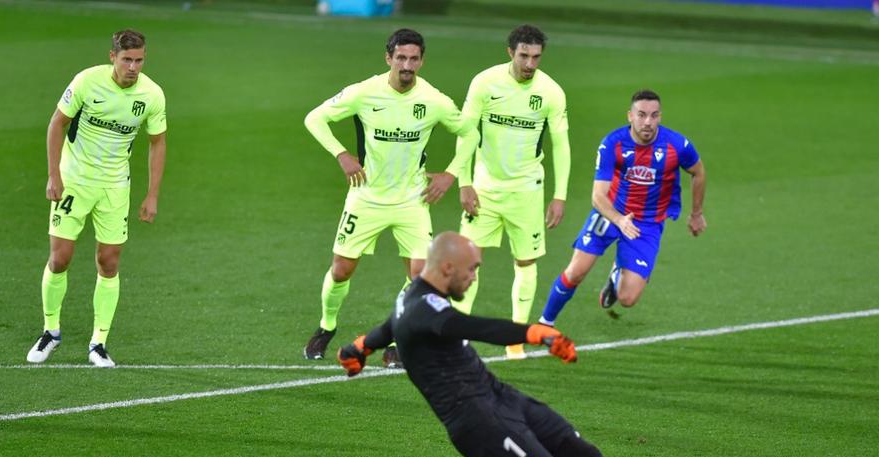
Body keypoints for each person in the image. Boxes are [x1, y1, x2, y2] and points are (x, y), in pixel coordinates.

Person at [336, 232, 720, 457]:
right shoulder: (425, 307)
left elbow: (388, 327)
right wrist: (538, 333)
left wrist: (357, 348)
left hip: (499, 397)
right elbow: (473, 326)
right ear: (447, 269)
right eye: (472, 269)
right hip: (477, 423)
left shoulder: (413, 298)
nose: (474, 277)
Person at [302, 28, 480, 368]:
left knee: (420, 276)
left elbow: (469, 132)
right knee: (341, 270)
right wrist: (341, 154)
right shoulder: (363, 93)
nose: (407, 65)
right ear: (388, 59)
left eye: (414, 59)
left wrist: (451, 175)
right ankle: (326, 327)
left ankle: (398, 338)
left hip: (412, 200)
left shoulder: (434, 101)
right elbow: (315, 118)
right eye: (401, 58)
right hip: (366, 195)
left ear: (422, 61)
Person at [26, 29, 167, 367]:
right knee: (59, 258)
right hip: (75, 180)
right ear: (112, 57)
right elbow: (57, 124)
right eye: (127, 59)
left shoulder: (152, 95)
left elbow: (158, 142)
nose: (133, 67)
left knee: (109, 261)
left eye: (139, 60)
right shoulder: (87, 82)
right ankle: (51, 332)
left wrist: (152, 195)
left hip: (115, 186)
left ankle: (98, 343)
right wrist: (54, 175)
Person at [538, 89, 706, 326]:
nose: (648, 122)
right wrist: (619, 220)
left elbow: (698, 172)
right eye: (641, 115)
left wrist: (696, 213)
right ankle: (545, 323)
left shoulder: (677, 145)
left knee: (627, 299)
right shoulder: (613, 144)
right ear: (630, 116)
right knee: (576, 272)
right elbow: (597, 196)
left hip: (647, 224)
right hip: (610, 213)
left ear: (660, 116)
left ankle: (617, 273)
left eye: (654, 115)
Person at [454, 24, 570, 360]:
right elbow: (465, 133)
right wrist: (464, 181)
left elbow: (561, 146)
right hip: (484, 187)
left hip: (526, 191)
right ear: (510, 52)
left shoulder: (551, 92)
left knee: (526, 260)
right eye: (524, 55)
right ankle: (459, 333)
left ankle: (516, 337)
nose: (530, 63)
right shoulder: (485, 83)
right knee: (467, 261)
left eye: (536, 57)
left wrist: (559, 195)